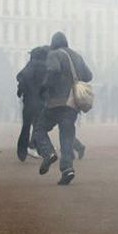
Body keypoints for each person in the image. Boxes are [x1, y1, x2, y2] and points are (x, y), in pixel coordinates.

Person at [33, 32, 92, 185]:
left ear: (54, 43)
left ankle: (49, 153)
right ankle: (67, 169)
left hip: (55, 102)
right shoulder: (78, 57)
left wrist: (44, 87)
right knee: (67, 136)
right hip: (72, 104)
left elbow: (53, 70)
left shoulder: (54, 54)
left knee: (40, 128)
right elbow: (89, 76)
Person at [16, 45, 86, 162]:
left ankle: (24, 151)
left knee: (30, 126)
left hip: (30, 102)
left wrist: (21, 89)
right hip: (46, 101)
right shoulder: (49, 65)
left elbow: (22, 76)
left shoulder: (33, 63)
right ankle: (76, 147)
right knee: (62, 125)